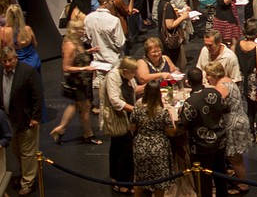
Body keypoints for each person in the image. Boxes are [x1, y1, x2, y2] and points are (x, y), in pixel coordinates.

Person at [0, 47, 43, 196]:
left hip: (26, 120)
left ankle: (28, 182)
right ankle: (23, 173)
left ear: (16, 58)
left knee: (27, 153)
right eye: (5, 60)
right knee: (16, 151)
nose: (7, 63)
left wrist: (35, 117)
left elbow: (37, 95)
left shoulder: (28, 71)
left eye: (10, 60)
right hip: (8, 121)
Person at [178, 68, 228, 197]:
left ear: (188, 82)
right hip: (220, 141)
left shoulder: (190, 103)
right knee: (220, 175)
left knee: (203, 181)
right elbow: (226, 107)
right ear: (202, 79)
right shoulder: (214, 93)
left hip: (201, 147)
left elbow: (183, 126)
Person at [204, 61, 252, 195]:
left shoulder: (221, 87)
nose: (207, 78)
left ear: (214, 74)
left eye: (208, 75)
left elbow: (216, 105)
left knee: (234, 158)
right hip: (240, 119)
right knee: (237, 157)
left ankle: (243, 185)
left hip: (233, 124)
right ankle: (240, 179)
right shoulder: (228, 81)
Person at [51, 21, 96, 145]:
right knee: (85, 107)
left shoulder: (78, 42)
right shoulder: (70, 45)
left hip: (82, 81)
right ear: (74, 30)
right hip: (76, 82)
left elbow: (79, 56)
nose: (83, 31)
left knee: (76, 106)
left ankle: (61, 129)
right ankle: (88, 134)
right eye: (81, 29)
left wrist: (89, 51)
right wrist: (84, 69)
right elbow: (66, 67)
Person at [129, 80, 176, 197]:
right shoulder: (163, 111)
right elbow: (171, 133)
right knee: (159, 182)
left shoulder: (137, 107)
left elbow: (132, 127)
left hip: (141, 146)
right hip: (159, 148)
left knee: (140, 179)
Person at [103, 57, 142, 194]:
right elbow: (115, 101)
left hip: (126, 116)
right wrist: (135, 110)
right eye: (133, 72)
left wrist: (149, 85)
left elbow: (134, 89)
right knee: (126, 149)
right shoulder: (113, 77)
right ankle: (124, 183)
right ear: (125, 71)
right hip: (118, 118)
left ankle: (115, 179)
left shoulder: (127, 77)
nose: (135, 74)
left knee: (116, 147)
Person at [0, 4, 40, 72]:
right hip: (33, 62)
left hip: (15, 65)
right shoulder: (28, 29)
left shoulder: (3, 31)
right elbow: (35, 45)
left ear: (7, 16)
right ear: (21, 16)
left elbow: (0, 51)